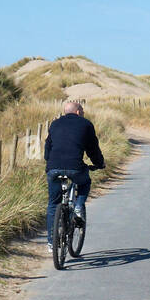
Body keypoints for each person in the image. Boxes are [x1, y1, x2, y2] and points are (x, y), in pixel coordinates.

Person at [44, 100, 105, 238]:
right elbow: (92, 149)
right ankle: (78, 206)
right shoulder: (86, 124)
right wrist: (99, 164)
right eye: (82, 110)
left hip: (53, 167)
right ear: (78, 112)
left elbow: (47, 147)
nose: (83, 113)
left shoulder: (54, 124)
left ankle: (51, 242)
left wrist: (50, 162)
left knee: (53, 203)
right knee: (85, 182)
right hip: (75, 167)